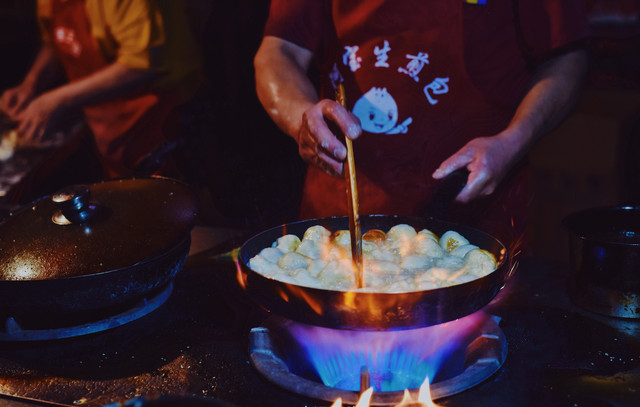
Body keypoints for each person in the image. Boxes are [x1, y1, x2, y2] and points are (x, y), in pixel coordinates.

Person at [254, 0, 590, 250]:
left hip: (479, 220)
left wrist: (513, 140)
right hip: (341, 217)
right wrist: (300, 114)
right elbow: (278, 52)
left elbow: (567, 58)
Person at [0, 0, 202, 179]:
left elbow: (142, 64)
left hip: (161, 114)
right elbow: (57, 39)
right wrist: (30, 84)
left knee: (174, 204)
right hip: (106, 122)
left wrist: (57, 100)